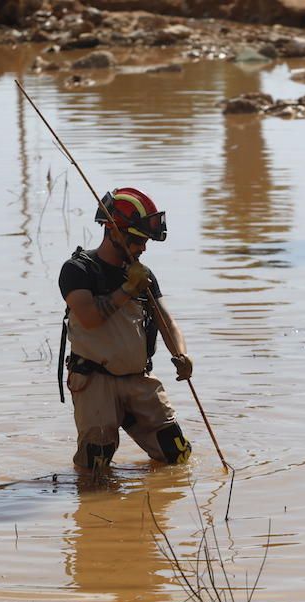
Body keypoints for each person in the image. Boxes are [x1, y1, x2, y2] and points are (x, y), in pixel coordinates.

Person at [57, 187, 193, 470]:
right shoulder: (78, 271)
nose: (143, 248)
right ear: (113, 231)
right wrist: (128, 289)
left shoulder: (144, 276)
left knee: (176, 455)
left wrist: (181, 354)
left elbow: (166, 320)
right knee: (95, 466)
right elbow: (91, 317)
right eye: (137, 240)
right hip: (95, 382)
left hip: (139, 379)